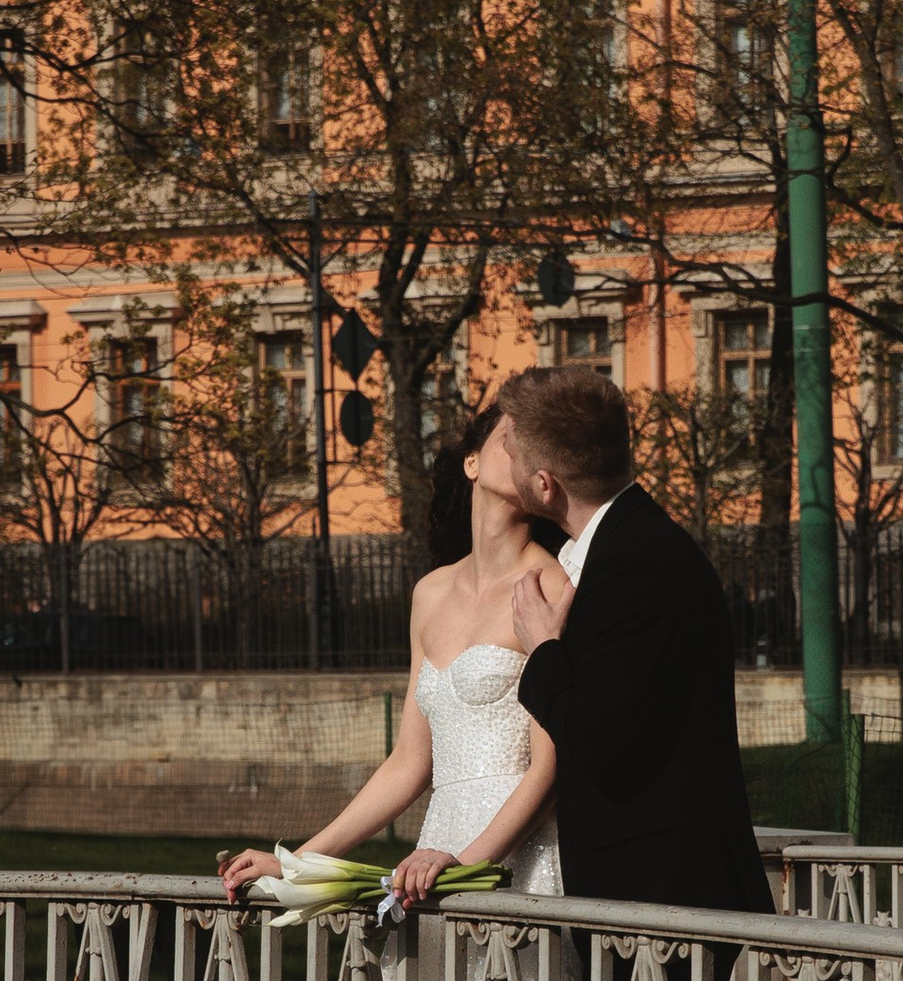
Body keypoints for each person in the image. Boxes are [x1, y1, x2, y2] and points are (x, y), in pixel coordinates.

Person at [218, 406, 563, 908]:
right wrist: (296, 863)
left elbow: (549, 771)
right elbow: (409, 761)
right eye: (511, 437)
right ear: (471, 462)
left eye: (536, 446)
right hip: (432, 855)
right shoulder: (431, 593)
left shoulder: (551, 586)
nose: (521, 451)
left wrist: (463, 865)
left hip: (514, 861)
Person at [485, 362, 772, 915]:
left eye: (514, 454)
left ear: (544, 483)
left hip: (664, 897)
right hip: (649, 890)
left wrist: (543, 649)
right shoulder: (621, 547)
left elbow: (600, 743)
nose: (508, 464)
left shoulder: (635, 564)